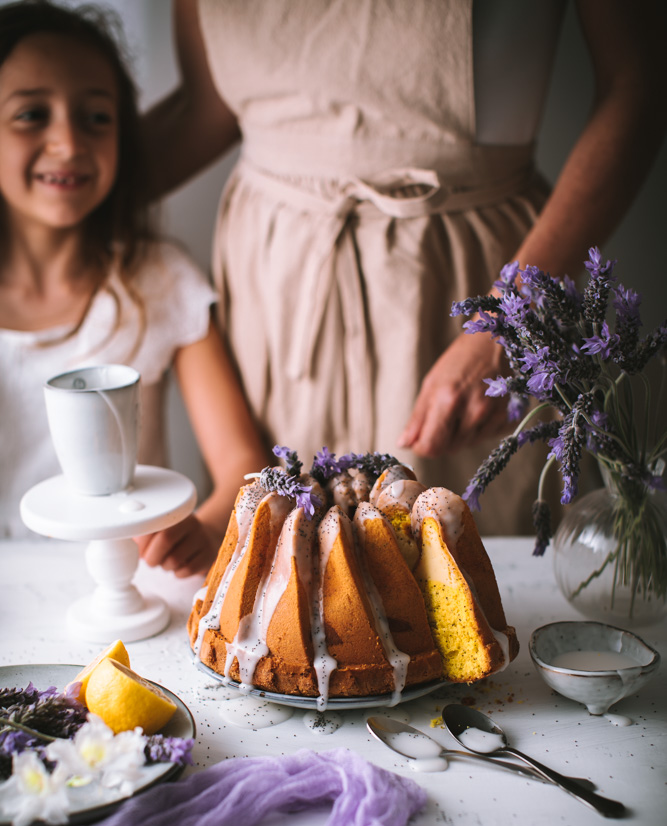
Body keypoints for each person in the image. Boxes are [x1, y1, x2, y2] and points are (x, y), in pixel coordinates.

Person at [140, 0, 667, 535]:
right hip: (278, 286)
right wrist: (64, 196)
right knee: (288, 566)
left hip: (465, 274)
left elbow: (638, 82)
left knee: (464, 562)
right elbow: (205, 106)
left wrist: (508, 318)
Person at [0, 0, 269, 576]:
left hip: (137, 593)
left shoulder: (162, 282)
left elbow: (243, 465)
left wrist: (212, 523)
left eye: (97, 117)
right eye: (31, 115)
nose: (69, 143)